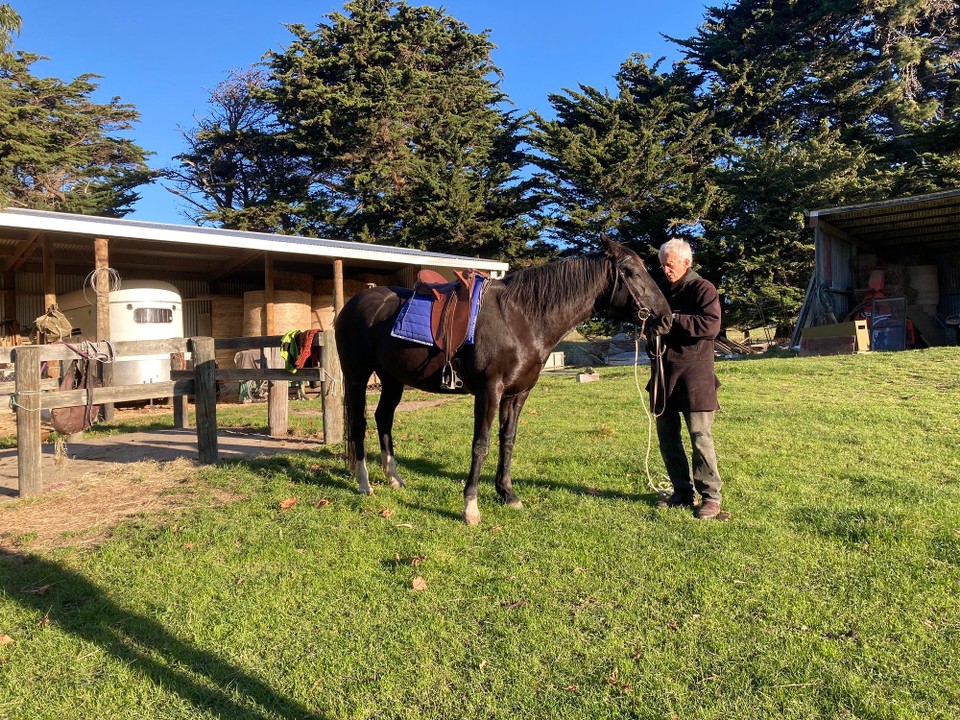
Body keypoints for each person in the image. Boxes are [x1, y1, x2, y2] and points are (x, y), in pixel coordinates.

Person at [648, 238, 726, 520]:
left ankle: (711, 497)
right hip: (663, 374)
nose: (666, 270)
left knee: (699, 436)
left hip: (695, 374)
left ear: (686, 263)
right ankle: (682, 491)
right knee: (667, 437)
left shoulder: (703, 288)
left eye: (670, 265)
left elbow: (711, 325)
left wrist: (674, 319)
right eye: (662, 265)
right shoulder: (658, 291)